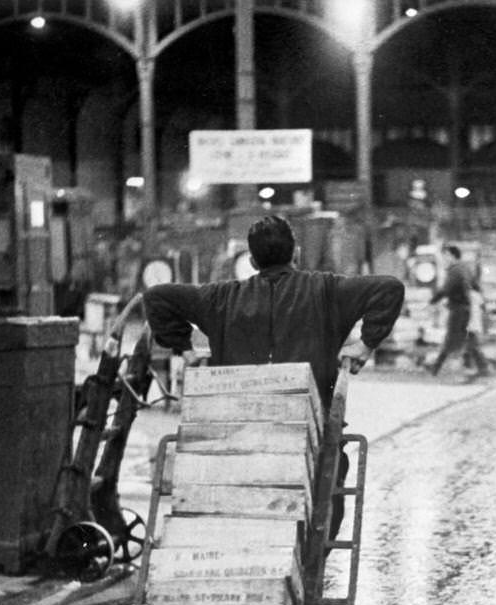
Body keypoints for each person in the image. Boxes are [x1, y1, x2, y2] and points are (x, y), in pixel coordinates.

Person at [139, 215, 405, 537]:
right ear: (296, 253)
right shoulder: (327, 290)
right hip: (311, 437)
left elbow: (156, 297)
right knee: (325, 503)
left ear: (251, 261)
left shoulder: (221, 298)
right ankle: (310, 568)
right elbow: (389, 289)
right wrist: (364, 346)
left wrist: (184, 348)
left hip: (237, 439)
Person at [428, 244, 491, 379]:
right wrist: (482, 303)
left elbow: (445, 290)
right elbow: (477, 286)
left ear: (451, 255)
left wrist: (432, 302)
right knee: (470, 339)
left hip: (458, 310)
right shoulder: (466, 268)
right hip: (467, 310)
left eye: (445, 256)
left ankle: (435, 369)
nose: (444, 259)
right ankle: (484, 368)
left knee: (450, 340)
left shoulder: (455, 270)